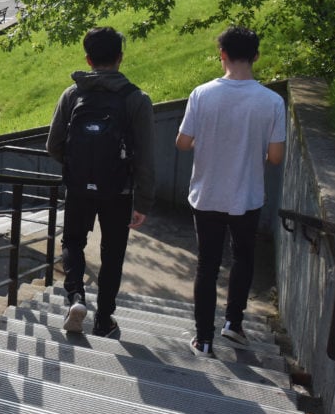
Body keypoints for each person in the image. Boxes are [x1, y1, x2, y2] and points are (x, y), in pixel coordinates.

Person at [176, 26, 286, 357]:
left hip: (207, 194)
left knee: (207, 265)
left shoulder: (201, 94)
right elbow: (276, 157)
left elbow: (182, 143)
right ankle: (233, 324)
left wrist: (204, 140)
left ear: (221, 55)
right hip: (247, 195)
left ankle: (203, 338)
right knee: (243, 257)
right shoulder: (272, 101)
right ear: (256, 56)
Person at [46, 27, 155, 338]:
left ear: (88, 59)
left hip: (79, 186)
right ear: (120, 58)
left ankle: (75, 298)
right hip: (118, 191)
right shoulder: (136, 99)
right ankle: (104, 319)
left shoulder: (72, 94)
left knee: (73, 243)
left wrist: (79, 167)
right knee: (113, 251)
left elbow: (53, 145)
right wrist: (143, 201)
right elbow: (147, 157)